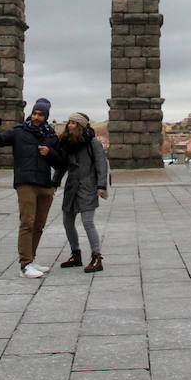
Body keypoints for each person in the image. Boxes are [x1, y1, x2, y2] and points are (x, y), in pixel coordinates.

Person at [0, 97, 65, 278]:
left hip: (44, 184)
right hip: (26, 182)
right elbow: (0, 141)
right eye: (35, 113)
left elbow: (61, 162)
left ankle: (31, 259)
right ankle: (25, 264)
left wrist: (50, 152)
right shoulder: (19, 131)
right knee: (27, 222)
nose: (37, 117)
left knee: (39, 225)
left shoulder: (51, 136)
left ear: (46, 116)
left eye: (41, 114)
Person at [52, 112, 109, 273]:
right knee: (67, 221)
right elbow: (62, 165)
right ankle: (75, 253)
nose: (69, 125)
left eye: (73, 123)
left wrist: (101, 186)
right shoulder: (66, 142)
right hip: (72, 187)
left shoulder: (92, 143)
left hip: (87, 186)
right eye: (69, 122)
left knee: (87, 222)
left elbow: (101, 165)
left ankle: (97, 256)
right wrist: (55, 182)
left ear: (81, 126)